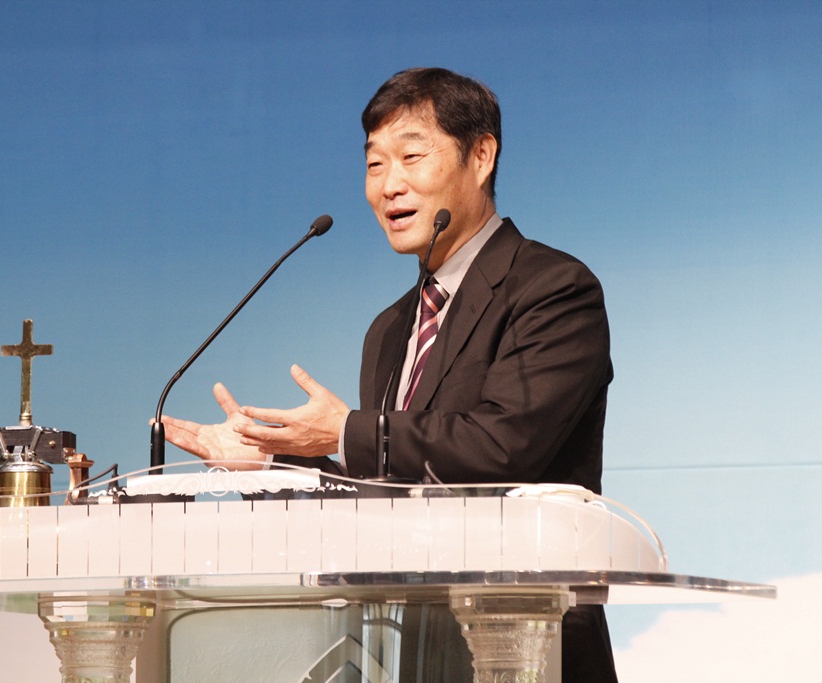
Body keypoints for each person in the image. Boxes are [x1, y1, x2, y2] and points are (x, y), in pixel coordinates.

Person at [161, 67, 617, 682]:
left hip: (530, 645)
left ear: (481, 157)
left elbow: (503, 447)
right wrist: (271, 464)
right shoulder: (390, 329)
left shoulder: (553, 289)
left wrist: (345, 431)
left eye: (411, 156)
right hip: (420, 648)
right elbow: (385, 489)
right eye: (375, 165)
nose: (389, 185)